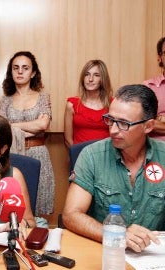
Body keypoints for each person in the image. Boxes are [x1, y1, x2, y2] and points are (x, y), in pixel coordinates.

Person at [62, 84, 165, 253]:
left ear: (148, 126)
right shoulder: (92, 155)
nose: (113, 130)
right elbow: (71, 214)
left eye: (124, 123)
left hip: (153, 255)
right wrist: (115, 234)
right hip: (104, 252)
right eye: (111, 120)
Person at [0, 51, 55, 216]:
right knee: (12, 202)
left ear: (33, 72)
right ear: (11, 72)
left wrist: (13, 127)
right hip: (12, 155)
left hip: (38, 154)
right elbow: (1, 130)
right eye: (16, 68)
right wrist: (30, 128)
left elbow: (43, 124)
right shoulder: (5, 101)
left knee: (37, 204)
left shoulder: (43, 97)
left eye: (25, 68)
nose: (20, 72)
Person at [64, 59, 113, 148]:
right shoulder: (72, 104)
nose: (90, 79)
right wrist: (78, 157)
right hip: (79, 156)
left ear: (103, 79)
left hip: (106, 156)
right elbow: (68, 140)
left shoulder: (113, 104)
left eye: (96, 75)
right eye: (87, 74)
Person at [144, 37, 165, 140]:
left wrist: (161, 120)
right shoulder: (148, 87)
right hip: (157, 151)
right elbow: (145, 122)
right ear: (159, 57)